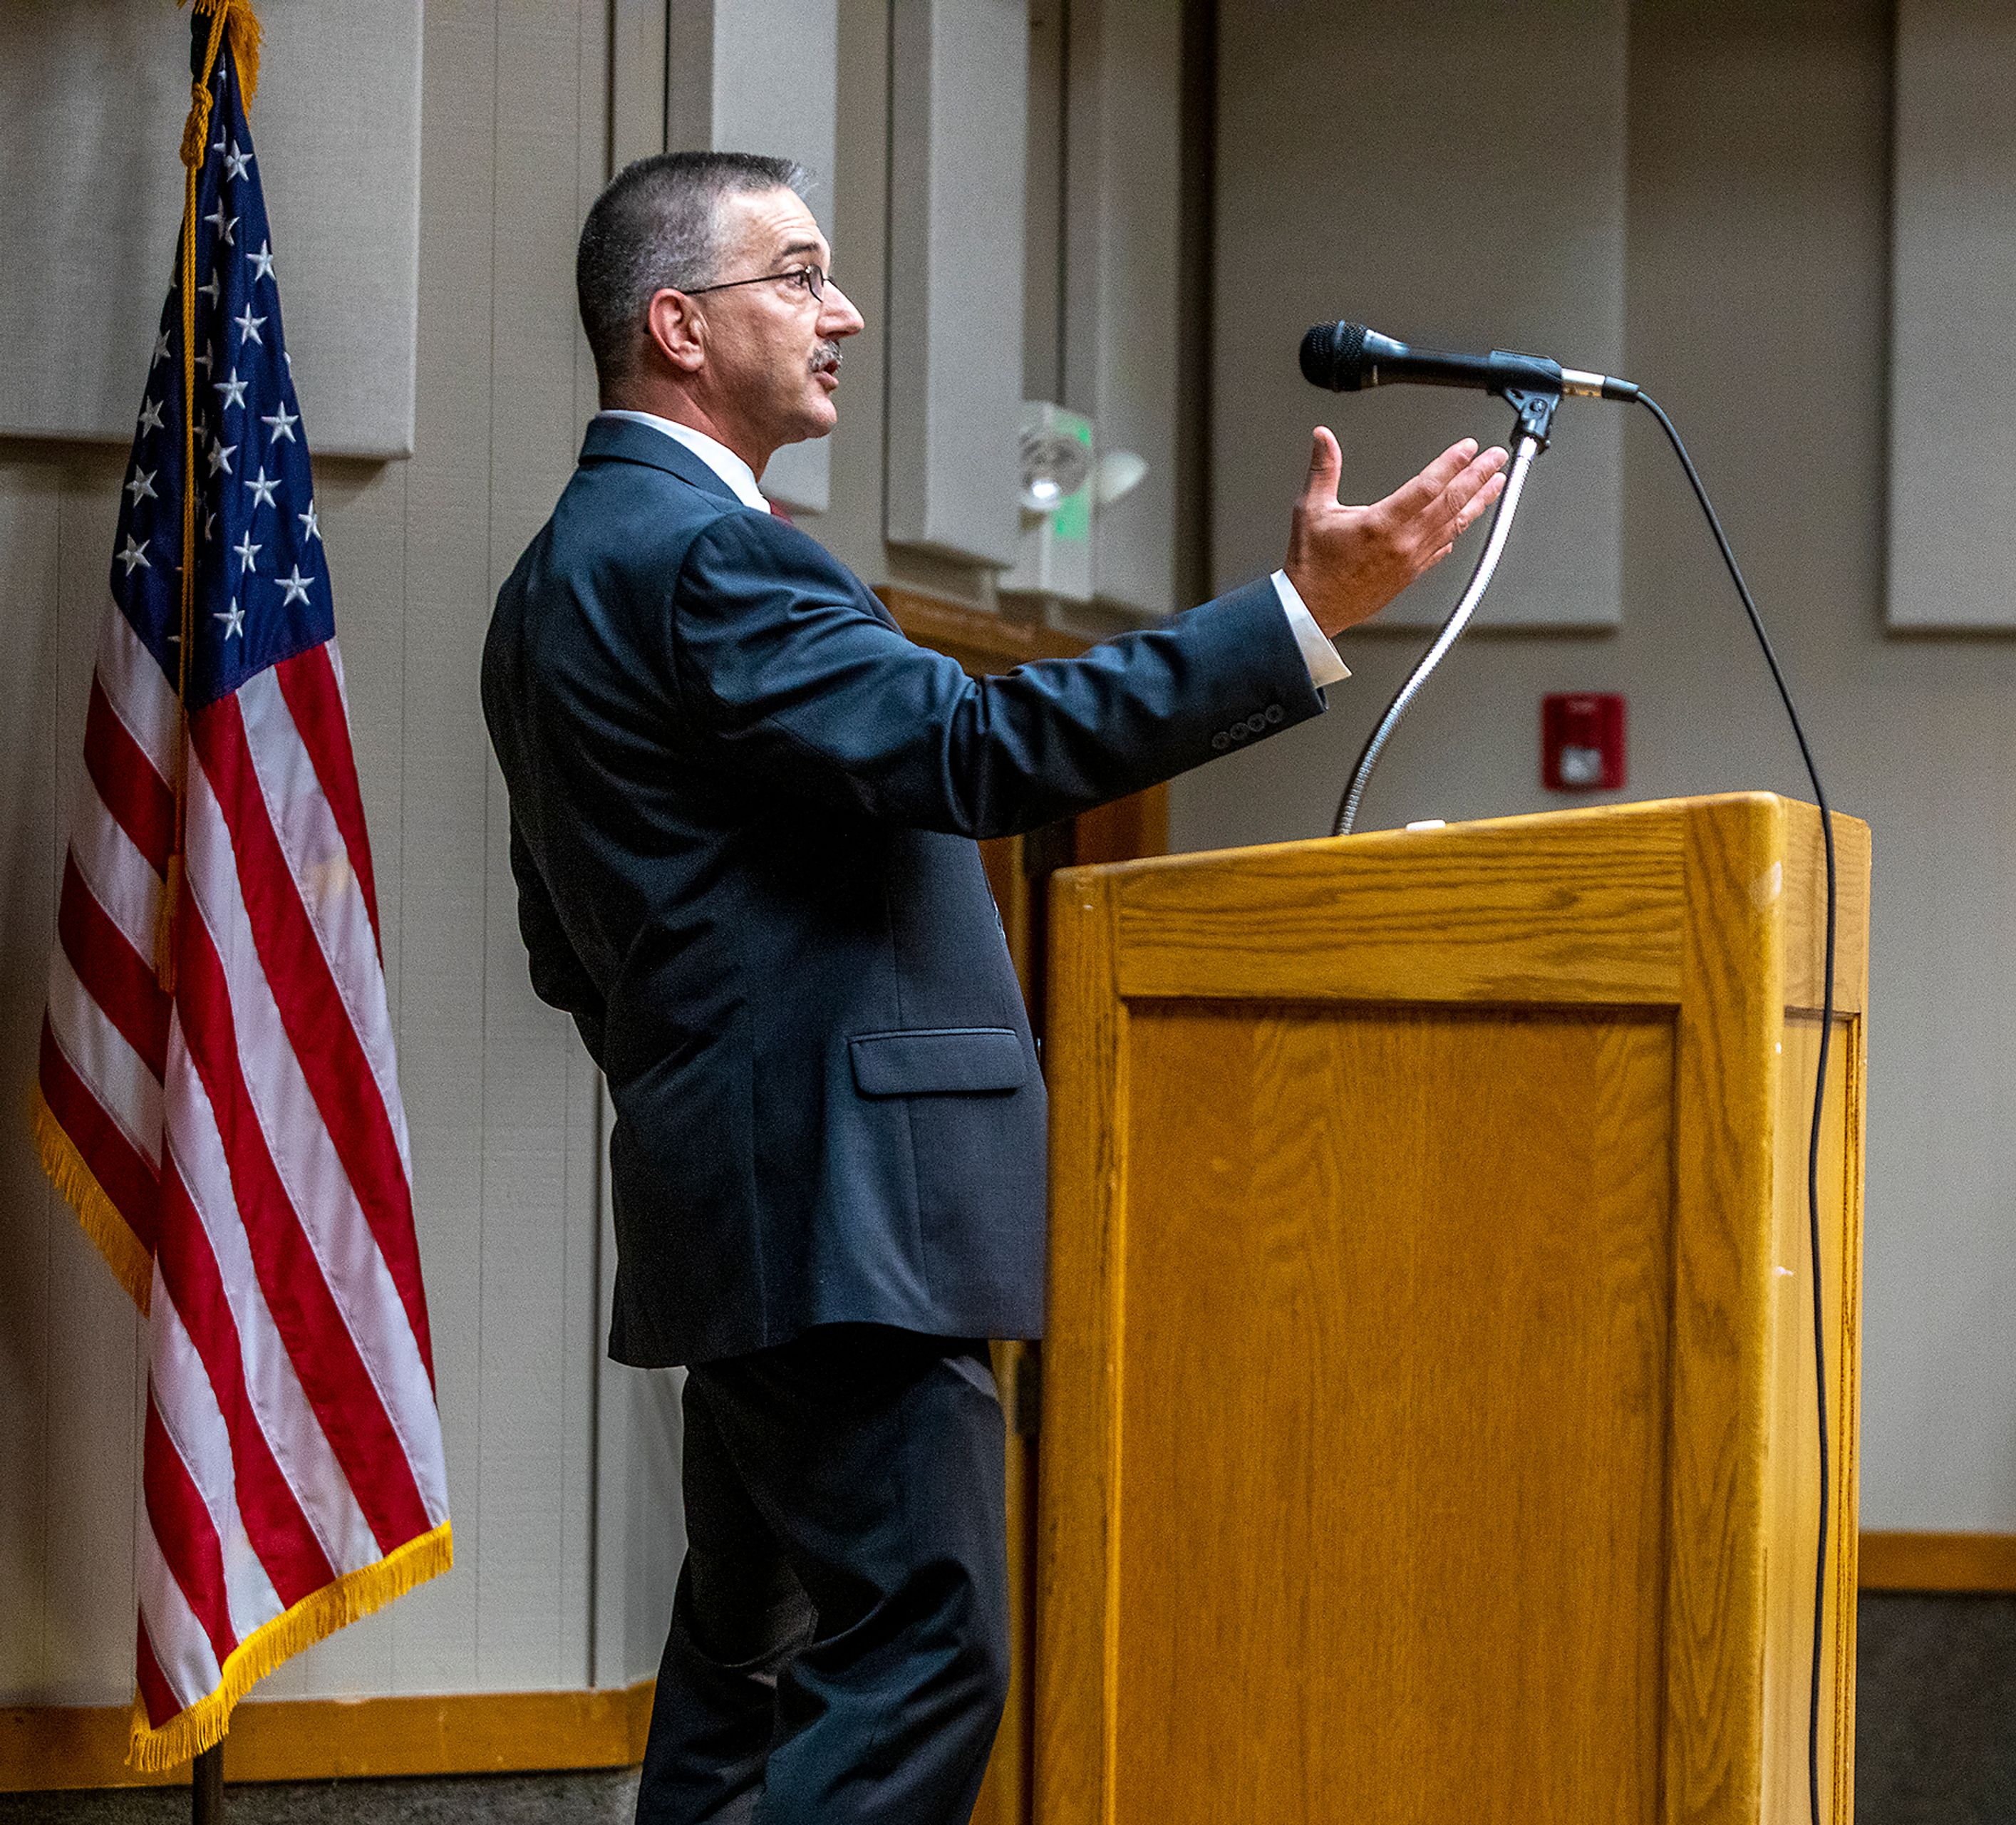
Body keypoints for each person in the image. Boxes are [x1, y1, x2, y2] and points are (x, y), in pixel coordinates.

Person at [481, 152, 1504, 1825]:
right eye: (798, 274)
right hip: (844, 1219)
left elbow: (559, 941)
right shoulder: (706, 558)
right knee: (922, 1647)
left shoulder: (557, 579)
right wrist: (1299, 616)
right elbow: (975, 746)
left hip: (744, 1207)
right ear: (676, 324)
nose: (845, 311)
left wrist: (723, 1087)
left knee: (746, 1671)